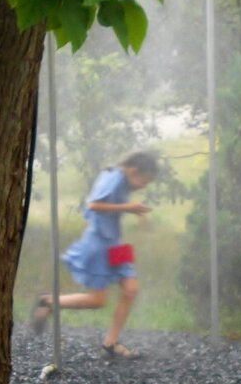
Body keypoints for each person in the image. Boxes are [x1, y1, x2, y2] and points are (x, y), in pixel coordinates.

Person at [32, 151, 159, 358]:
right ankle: (48, 301)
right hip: (99, 244)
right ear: (134, 171)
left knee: (131, 289)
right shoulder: (113, 177)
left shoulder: (124, 181)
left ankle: (110, 343)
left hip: (115, 244)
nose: (143, 185)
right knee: (98, 300)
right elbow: (93, 205)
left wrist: (135, 213)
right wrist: (129, 207)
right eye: (144, 180)